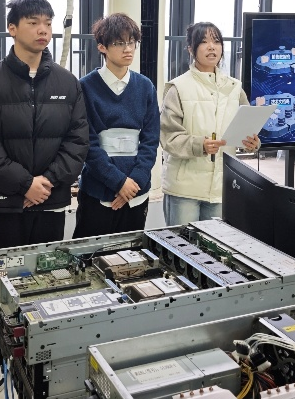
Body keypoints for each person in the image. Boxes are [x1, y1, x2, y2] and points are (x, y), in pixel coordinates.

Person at [0, 0, 88, 395]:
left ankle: (40, 355)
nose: (43, 30)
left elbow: (78, 142)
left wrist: (46, 183)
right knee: (1, 283)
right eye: (34, 22)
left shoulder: (67, 83)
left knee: (46, 280)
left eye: (48, 23)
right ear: (12, 28)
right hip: (6, 205)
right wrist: (24, 184)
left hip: (51, 202)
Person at [160, 21, 259, 226]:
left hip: (222, 187)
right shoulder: (178, 88)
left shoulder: (234, 88)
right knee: (183, 243)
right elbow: (168, 137)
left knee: (215, 244)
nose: (212, 47)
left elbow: (247, 127)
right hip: (184, 188)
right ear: (191, 49)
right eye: (204, 42)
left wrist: (252, 142)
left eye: (216, 41)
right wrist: (200, 145)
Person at [72, 13, 159, 238]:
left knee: (131, 254)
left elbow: (151, 140)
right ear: (102, 47)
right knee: (90, 252)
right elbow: (87, 144)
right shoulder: (85, 87)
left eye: (132, 42)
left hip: (136, 192)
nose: (128, 49)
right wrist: (118, 182)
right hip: (97, 189)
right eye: (119, 43)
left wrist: (134, 182)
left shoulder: (145, 87)